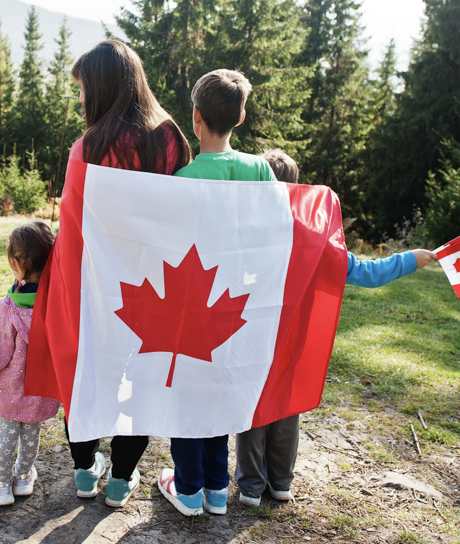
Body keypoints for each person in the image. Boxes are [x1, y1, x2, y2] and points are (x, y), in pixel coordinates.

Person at [233, 148, 437, 508]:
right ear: (297, 189)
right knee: (286, 406)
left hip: (254, 335)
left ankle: (251, 486)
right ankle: (280, 482)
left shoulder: (246, 234)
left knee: (255, 405)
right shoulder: (317, 240)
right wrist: (409, 259)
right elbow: (367, 273)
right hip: (295, 341)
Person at [65, 39, 193, 508]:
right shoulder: (171, 137)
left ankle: (84, 473)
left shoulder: (89, 146)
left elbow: (74, 223)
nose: (81, 99)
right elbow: (186, 213)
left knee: (88, 375)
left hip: (100, 285)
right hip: (156, 285)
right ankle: (120, 480)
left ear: (100, 88)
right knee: (142, 378)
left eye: (82, 90)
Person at [155, 68, 276, 517]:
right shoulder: (260, 169)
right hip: (240, 306)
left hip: (190, 307)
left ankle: (187, 489)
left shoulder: (183, 179)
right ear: (240, 117)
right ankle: (217, 489)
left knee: (189, 395)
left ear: (196, 117)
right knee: (222, 392)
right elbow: (273, 236)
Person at [0, 221, 61, 506]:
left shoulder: (8, 308)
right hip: (39, 389)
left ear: (17, 261)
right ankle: (23, 477)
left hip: (9, 391)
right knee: (31, 435)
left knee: (6, 435)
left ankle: (3, 484)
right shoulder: (59, 304)